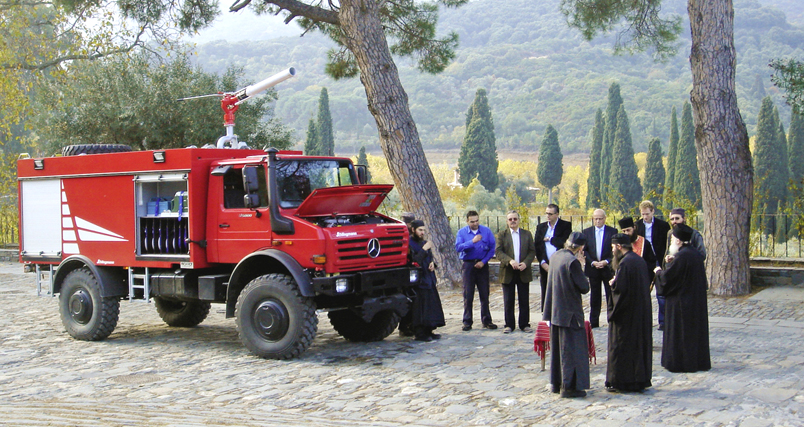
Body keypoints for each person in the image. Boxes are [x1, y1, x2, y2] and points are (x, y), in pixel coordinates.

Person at [653, 224, 711, 373]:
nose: (671, 242)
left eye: (672, 239)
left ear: (678, 241)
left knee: (681, 334)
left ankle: (679, 363)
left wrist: (659, 272)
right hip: (695, 303)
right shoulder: (694, 254)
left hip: (680, 304)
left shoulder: (681, 256)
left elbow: (668, 280)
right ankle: (696, 362)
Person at [542, 232, 590, 398]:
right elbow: (584, 287)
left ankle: (557, 383)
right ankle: (569, 387)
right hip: (570, 314)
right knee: (572, 352)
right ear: (580, 248)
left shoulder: (555, 256)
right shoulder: (572, 262)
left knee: (558, 351)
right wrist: (582, 267)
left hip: (556, 311)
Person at [606, 233, 653, 393]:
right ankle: (639, 380)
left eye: (613, 247)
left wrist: (613, 286)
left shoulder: (625, 264)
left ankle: (623, 382)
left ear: (619, 247)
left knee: (623, 348)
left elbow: (621, 292)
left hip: (626, 316)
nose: (612, 251)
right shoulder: (638, 260)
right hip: (639, 313)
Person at [660, 208, 707, 330]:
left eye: (677, 218)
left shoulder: (694, 234)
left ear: (684, 219)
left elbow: (701, 254)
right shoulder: (670, 233)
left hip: (689, 278)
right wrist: (668, 260)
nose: (674, 221)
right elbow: (668, 252)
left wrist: (680, 258)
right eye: (672, 219)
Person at [455, 210, 497, 331]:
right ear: (467, 221)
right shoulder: (462, 232)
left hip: (482, 265)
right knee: (468, 294)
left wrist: (483, 261)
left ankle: (487, 320)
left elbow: (492, 248)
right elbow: (458, 247)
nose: (475, 223)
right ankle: (467, 321)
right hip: (468, 265)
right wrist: (472, 242)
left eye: (477, 220)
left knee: (484, 293)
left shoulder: (486, 231)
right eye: (472, 221)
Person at [495, 210, 536, 334]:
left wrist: (526, 263)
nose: (513, 221)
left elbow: (532, 251)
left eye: (515, 219)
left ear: (518, 220)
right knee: (508, 300)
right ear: (507, 221)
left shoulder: (527, 234)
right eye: (510, 219)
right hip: (508, 271)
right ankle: (509, 325)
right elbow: (498, 252)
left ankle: (524, 324)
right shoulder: (502, 235)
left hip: (523, 270)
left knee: (524, 299)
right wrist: (510, 261)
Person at [408, 220, 446, 342]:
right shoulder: (409, 244)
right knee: (420, 308)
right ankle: (420, 333)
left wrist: (432, 264)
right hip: (418, 281)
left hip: (428, 278)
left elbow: (429, 258)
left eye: (423, 230)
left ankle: (429, 330)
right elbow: (414, 261)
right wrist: (424, 250)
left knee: (431, 306)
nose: (422, 233)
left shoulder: (424, 243)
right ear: (413, 230)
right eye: (420, 230)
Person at [534, 203, 573, 311]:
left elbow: (564, 243)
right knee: (545, 290)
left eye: (550, 214)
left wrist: (550, 239)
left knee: (560, 290)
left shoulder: (565, 226)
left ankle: (560, 313)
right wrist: (542, 262)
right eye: (546, 213)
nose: (548, 216)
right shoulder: (541, 227)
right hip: (545, 265)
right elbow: (537, 246)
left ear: (557, 214)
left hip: (560, 264)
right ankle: (546, 314)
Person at [582, 209, 616, 328]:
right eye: (595, 218)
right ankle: (594, 321)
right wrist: (593, 262)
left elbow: (615, 250)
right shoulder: (587, 232)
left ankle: (611, 319)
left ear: (605, 218)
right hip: (593, 268)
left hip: (607, 268)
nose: (598, 221)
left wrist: (606, 262)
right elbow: (584, 250)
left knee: (610, 295)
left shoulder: (612, 231)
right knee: (595, 296)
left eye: (600, 218)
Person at [618, 217, 657, 283]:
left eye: (628, 230)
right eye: (624, 231)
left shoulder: (644, 243)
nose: (626, 233)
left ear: (634, 228)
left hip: (641, 278)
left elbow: (651, 262)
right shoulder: (620, 245)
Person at [398, 212, 418, 337]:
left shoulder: (414, 236)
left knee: (413, 299)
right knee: (407, 299)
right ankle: (404, 326)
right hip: (404, 269)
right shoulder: (402, 235)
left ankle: (411, 324)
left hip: (412, 269)